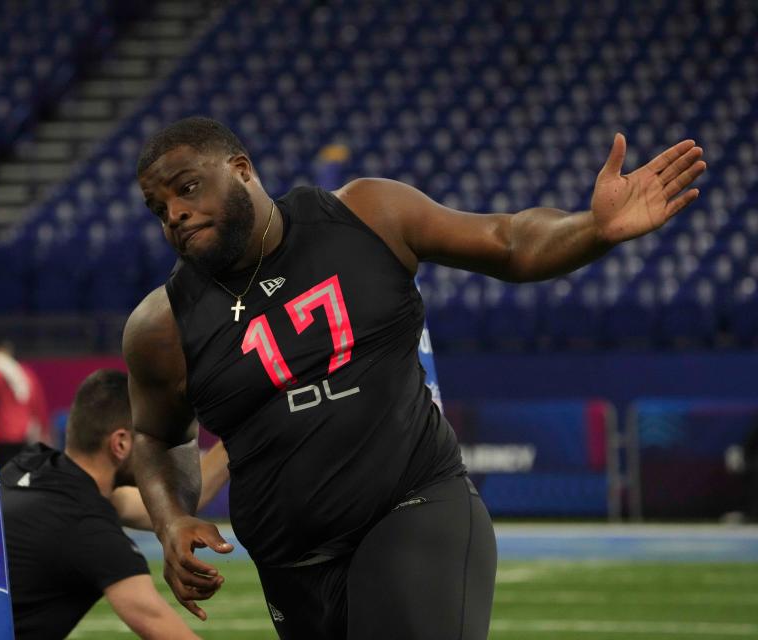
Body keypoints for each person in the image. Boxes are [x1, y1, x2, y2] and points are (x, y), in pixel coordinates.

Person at [123, 116, 705, 639]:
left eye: (187, 188)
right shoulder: (161, 326)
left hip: (413, 504)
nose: (174, 213)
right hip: (292, 569)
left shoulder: (365, 214)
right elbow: (157, 437)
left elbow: (509, 241)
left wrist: (592, 229)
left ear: (241, 170)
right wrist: (171, 517)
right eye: (159, 207)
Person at [0, 368, 228, 640]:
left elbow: (177, 500)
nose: (157, 452)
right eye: (149, 439)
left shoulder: (32, 465)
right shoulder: (86, 526)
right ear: (120, 443)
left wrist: (243, 437)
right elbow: (160, 625)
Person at [0, 337, 51, 466]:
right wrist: (44, 433)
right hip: (24, 439)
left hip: (1, 439)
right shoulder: (25, 373)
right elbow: (39, 407)